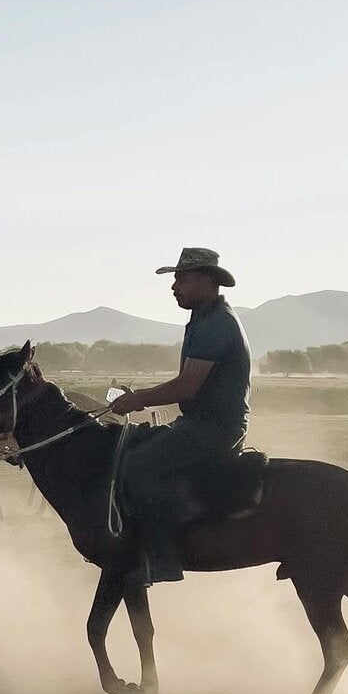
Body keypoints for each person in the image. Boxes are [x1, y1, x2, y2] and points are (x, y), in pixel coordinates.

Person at [110, 245, 254, 585]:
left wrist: (137, 399)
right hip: (200, 424)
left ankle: (163, 558)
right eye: (175, 280)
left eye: (182, 279)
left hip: (215, 429)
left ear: (207, 280)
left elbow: (188, 386)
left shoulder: (217, 324)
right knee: (131, 447)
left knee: (138, 467)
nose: (174, 287)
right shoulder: (204, 319)